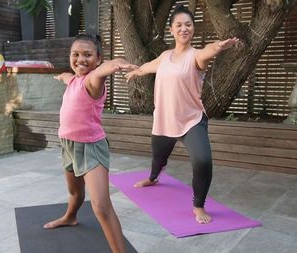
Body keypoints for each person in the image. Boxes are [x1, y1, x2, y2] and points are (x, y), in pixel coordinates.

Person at [125, 5, 239, 224]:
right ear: (171, 30)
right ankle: (152, 177)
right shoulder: (165, 56)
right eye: (179, 25)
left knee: (203, 161)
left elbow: (208, 51)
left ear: (193, 29)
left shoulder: (196, 56)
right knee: (158, 159)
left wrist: (218, 46)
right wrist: (136, 72)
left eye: (188, 24)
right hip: (165, 120)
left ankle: (198, 206)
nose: (184, 28)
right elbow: (148, 66)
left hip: (191, 120)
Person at [43, 34, 137, 253]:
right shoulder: (73, 79)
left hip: (91, 148)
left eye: (87, 55)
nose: (80, 59)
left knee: (101, 207)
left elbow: (107, 68)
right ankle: (70, 217)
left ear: (98, 59)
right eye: (75, 54)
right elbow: (67, 76)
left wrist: (119, 64)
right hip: (68, 144)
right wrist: (61, 76)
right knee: (75, 192)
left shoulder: (93, 80)